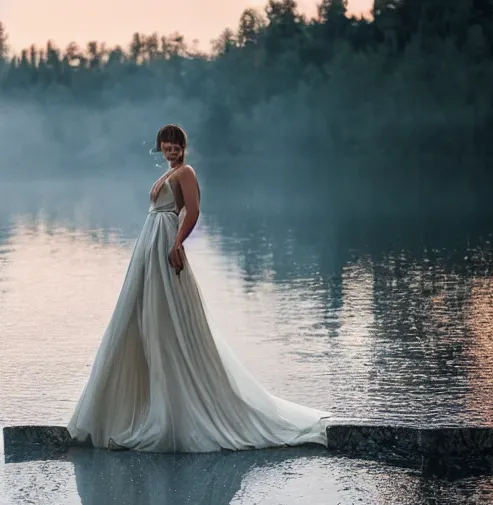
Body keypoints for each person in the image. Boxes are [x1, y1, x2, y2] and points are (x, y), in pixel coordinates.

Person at [67, 124, 330, 452]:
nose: (171, 151)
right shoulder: (168, 173)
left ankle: (181, 409)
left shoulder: (186, 172)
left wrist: (177, 243)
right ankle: (135, 409)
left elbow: (192, 210)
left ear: (183, 147)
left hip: (165, 244)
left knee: (169, 322)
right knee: (142, 320)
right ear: (160, 148)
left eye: (175, 146)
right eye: (166, 146)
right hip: (148, 249)